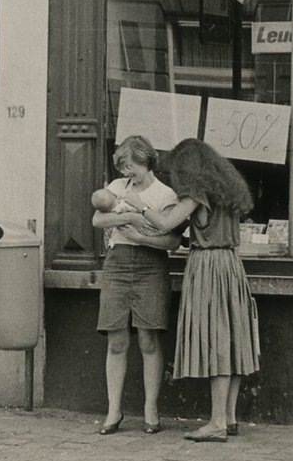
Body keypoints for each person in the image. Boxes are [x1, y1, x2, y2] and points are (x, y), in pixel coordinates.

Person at [123, 137, 258, 443]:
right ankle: (230, 416)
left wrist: (139, 206)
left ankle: (217, 423)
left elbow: (166, 221)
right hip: (231, 265)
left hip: (208, 267)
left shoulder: (197, 192)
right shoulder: (227, 190)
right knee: (233, 339)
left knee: (216, 341)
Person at [91, 135, 182, 436]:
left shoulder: (164, 193)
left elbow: (172, 240)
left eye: (131, 166)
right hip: (117, 264)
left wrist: (142, 236)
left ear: (146, 161)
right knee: (116, 340)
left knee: (148, 340)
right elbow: (97, 220)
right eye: (123, 167)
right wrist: (130, 215)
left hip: (151, 265)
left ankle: (150, 409)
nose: (126, 173)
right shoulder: (117, 189)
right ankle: (113, 410)